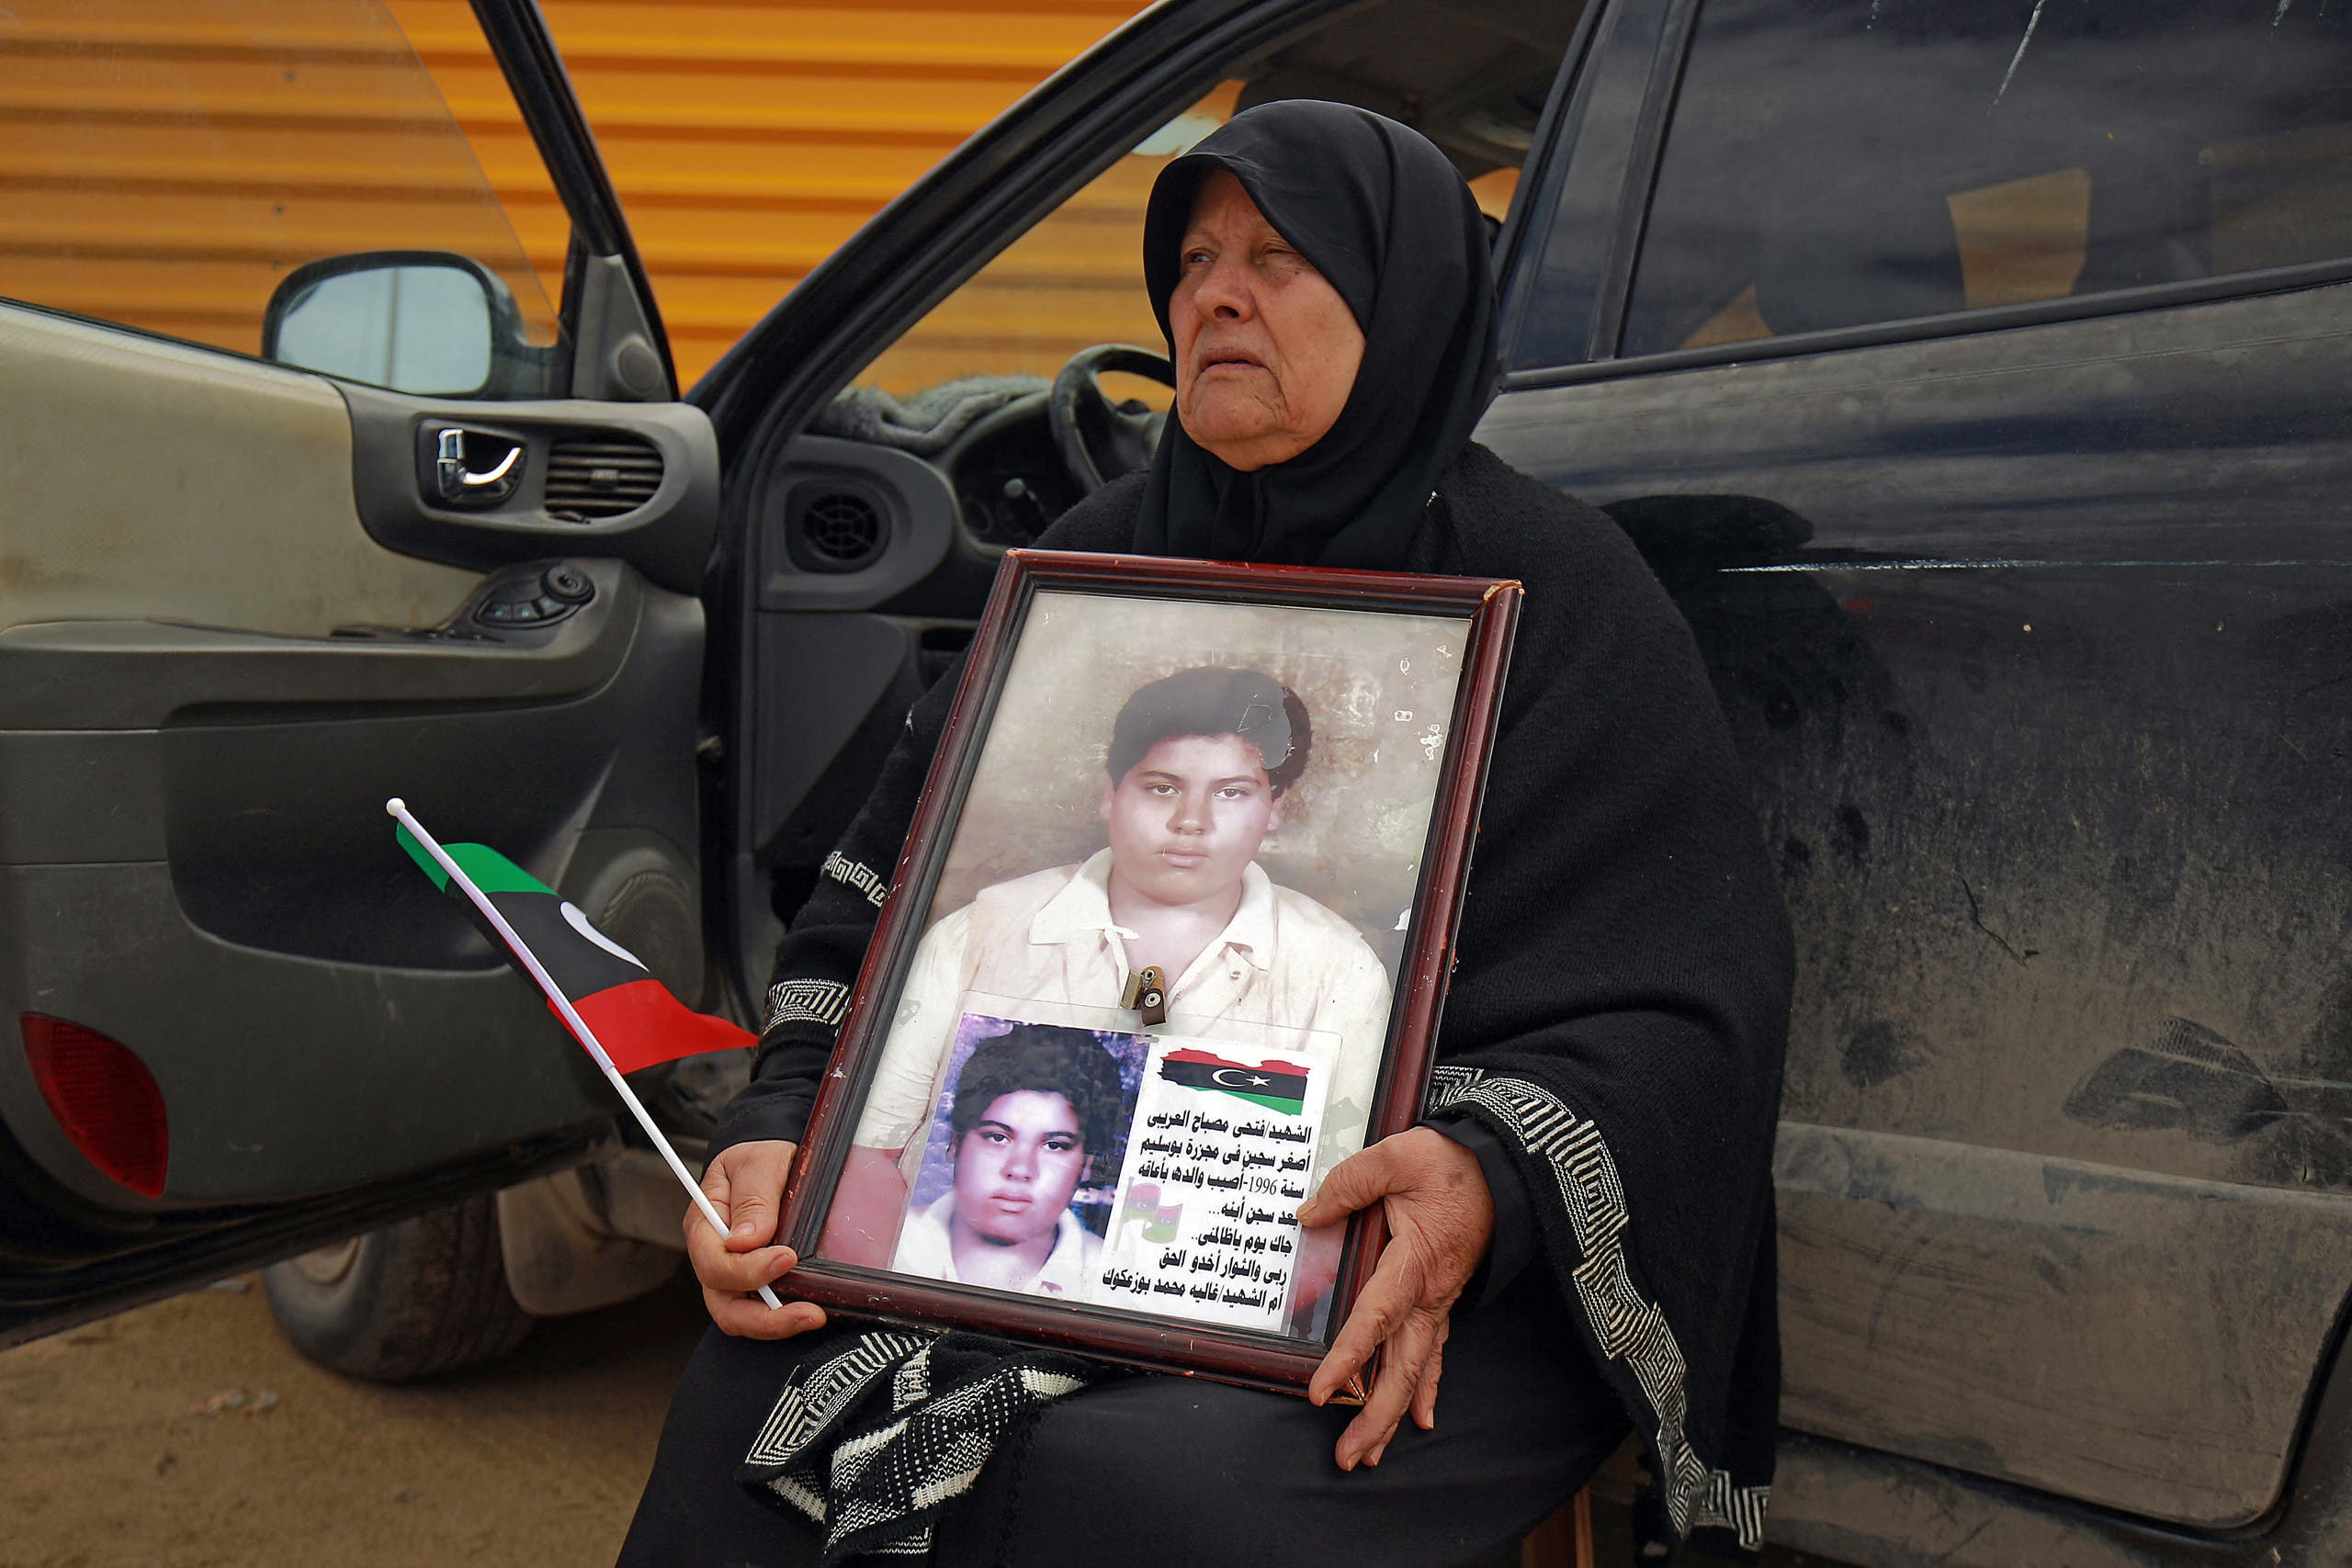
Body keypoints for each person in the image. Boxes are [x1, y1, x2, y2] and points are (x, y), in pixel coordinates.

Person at [623, 99, 1790, 1567]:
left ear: (1405, 297)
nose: (1216, 293)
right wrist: (782, 1123)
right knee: (745, 1397)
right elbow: (870, 919)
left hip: (1409, 1271)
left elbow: (1689, 1009)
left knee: (1163, 1488)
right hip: (1029, 1245)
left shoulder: (1561, 592)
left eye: (1280, 256)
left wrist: (1480, 1178)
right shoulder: (1089, 574)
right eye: (1193, 259)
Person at [822, 665, 1391, 1272]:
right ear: (1110, 792)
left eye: (1232, 792)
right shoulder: (976, 934)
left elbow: (1334, 1222)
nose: (1191, 821)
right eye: (1162, 787)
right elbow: (868, 1157)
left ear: (1276, 807)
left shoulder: (1341, 974)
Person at [888, 1023, 1125, 1300]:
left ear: (1087, 1164)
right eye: (997, 1138)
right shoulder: (888, 1238)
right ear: (955, 1143)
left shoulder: (1112, 1284)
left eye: (1054, 1145)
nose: (1020, 1169)